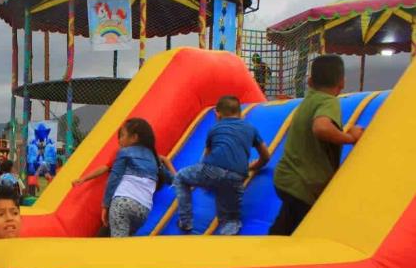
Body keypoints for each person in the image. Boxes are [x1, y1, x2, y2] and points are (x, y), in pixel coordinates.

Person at [269, 55, 363, 236]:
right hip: (302, 185)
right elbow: (321, 127)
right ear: (342, 82)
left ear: (310, 81)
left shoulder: (309, 99)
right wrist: (349, 138)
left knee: (287, 227)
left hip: (287, 179)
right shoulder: (328, 101)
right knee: (291, 235)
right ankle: (264, 259)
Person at [174, 96, 270, 235]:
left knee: (181, 177)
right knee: (229, 219)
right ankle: (228, 235)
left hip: (212, 170)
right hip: (236, 176)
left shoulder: (215, 128)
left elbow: (206, 157)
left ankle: (186, 221)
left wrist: (205, 181)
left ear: (217, 113)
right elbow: (266, 156)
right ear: (240, 113)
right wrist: (253, 166)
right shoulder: (250, 128)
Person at [102, 118, 170, 237]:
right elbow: (170, 178)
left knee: (118, 244)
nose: (119, 141)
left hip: (122, 203)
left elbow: (114, 178)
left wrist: (105, 205)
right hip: (143, 210)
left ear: (134, 137)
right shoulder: (154, 158)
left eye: (122, 136)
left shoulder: (125, 152)